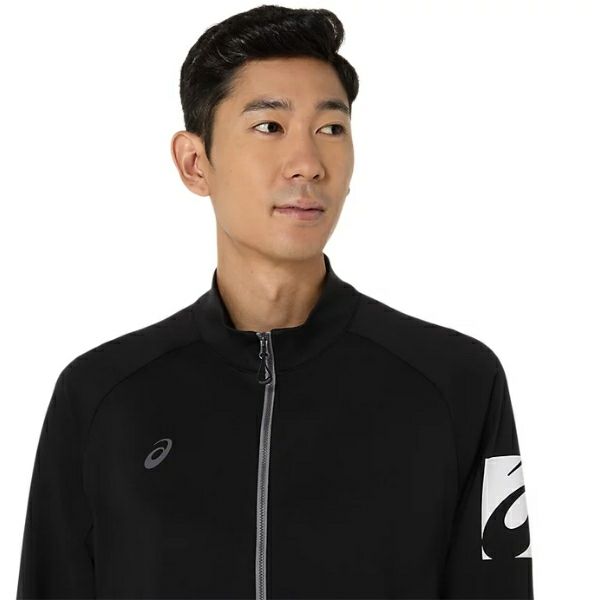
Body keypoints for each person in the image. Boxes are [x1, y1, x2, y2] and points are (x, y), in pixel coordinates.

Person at [16, 4, 534, 599]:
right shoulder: (100, 398)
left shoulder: (457, 383)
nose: (307, 164)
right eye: (269, 127)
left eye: (331, 129)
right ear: (194, 163)